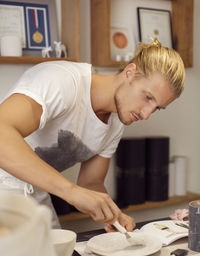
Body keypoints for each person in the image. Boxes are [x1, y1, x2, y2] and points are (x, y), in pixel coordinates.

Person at [0, 38, 185, 231]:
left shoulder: (115, 124)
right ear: (129, 72)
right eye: (147, 97)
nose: (146, 114)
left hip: (35, 194)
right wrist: (71, 192)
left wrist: (113, 215)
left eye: (157, 108)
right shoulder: (62, 80)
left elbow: (90, 183)